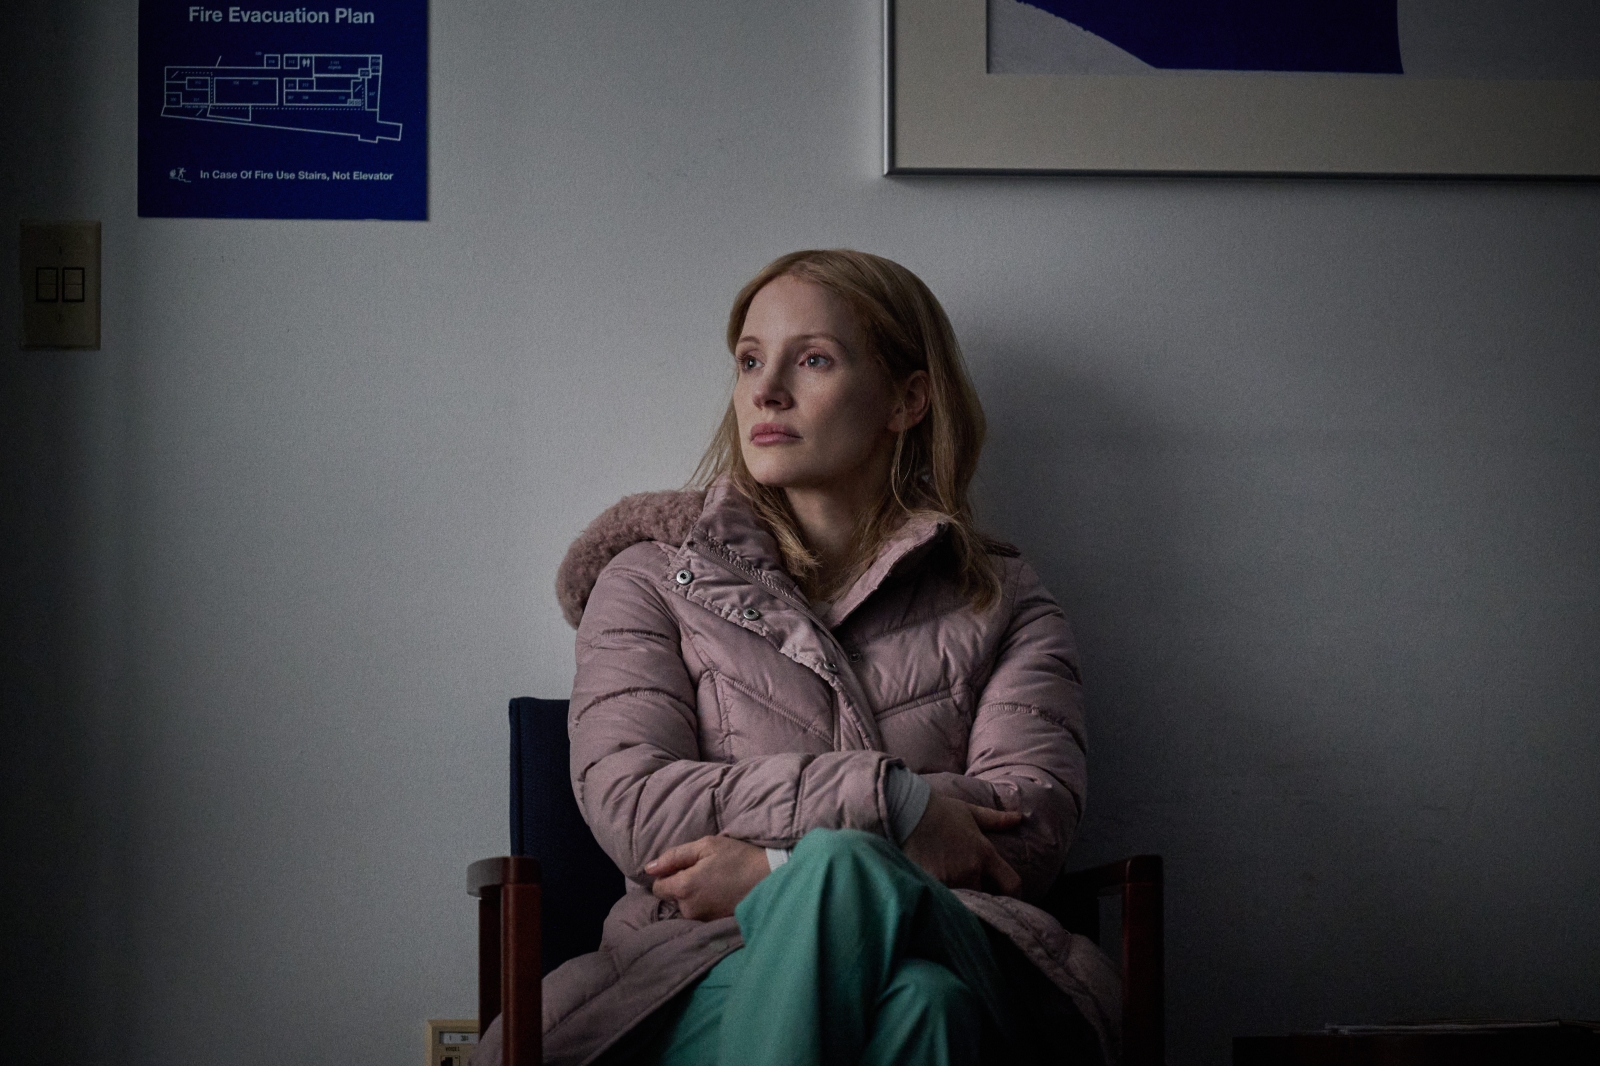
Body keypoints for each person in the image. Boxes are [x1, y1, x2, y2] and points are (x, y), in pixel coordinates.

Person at [476, 250, 1119, 1066]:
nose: (766, 391)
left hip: (964, 939)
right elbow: (636, 804)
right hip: (703, 969)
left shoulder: (1003, 598)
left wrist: (777, 867)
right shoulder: (648, 579)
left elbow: (1028, 829)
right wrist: (897, 801)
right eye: (750, 361)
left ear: (907, 400)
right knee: (924, 1008)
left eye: (812, 359)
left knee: (855, 883)